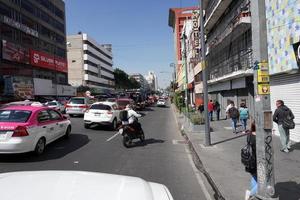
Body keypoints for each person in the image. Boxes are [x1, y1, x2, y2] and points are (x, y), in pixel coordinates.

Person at [244, 122, 257, 200]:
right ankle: (251, 193)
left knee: (254, 176)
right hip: (257, 161)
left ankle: (254, 195)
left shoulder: (249, 134)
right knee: (265, 182)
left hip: (250, 160)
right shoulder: (258, 137)